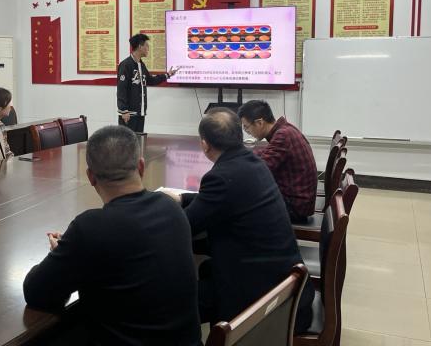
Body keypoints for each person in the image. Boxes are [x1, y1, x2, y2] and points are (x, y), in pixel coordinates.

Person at [23, 125, 201, 346]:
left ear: (90, 176)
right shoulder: (171, 208)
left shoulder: (90, 228)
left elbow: (37, 293)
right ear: (141, 167)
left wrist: (64, 254)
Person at [162, 108, 314, 332]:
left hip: (262, 298)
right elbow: (223, 198)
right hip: (282, 284)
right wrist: (183, 198)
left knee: (168, 303)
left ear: (205, 144)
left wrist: (156, 213)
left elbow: (185, 226)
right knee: (205, 267)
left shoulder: (221, 176)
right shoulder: (252, 162)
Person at [238, 100, 318, 223]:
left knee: (239, 204)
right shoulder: (285, 130)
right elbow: (267, 153)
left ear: (259, 123)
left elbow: (260, 170)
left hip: (295, 208)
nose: (246, 131)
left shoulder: (283, 135)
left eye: (246, 127)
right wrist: (244, 155)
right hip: (299, 201)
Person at [117, 33, 178, 133]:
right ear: (140, 47)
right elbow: (121, 89)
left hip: (140, 113)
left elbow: (151, 81)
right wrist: (123, 111)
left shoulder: (141, 65)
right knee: (127, 141)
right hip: (128, 115)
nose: (148, 49)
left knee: (139, 140)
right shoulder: (125, 65)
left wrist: (167, 75)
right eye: (146, 46)